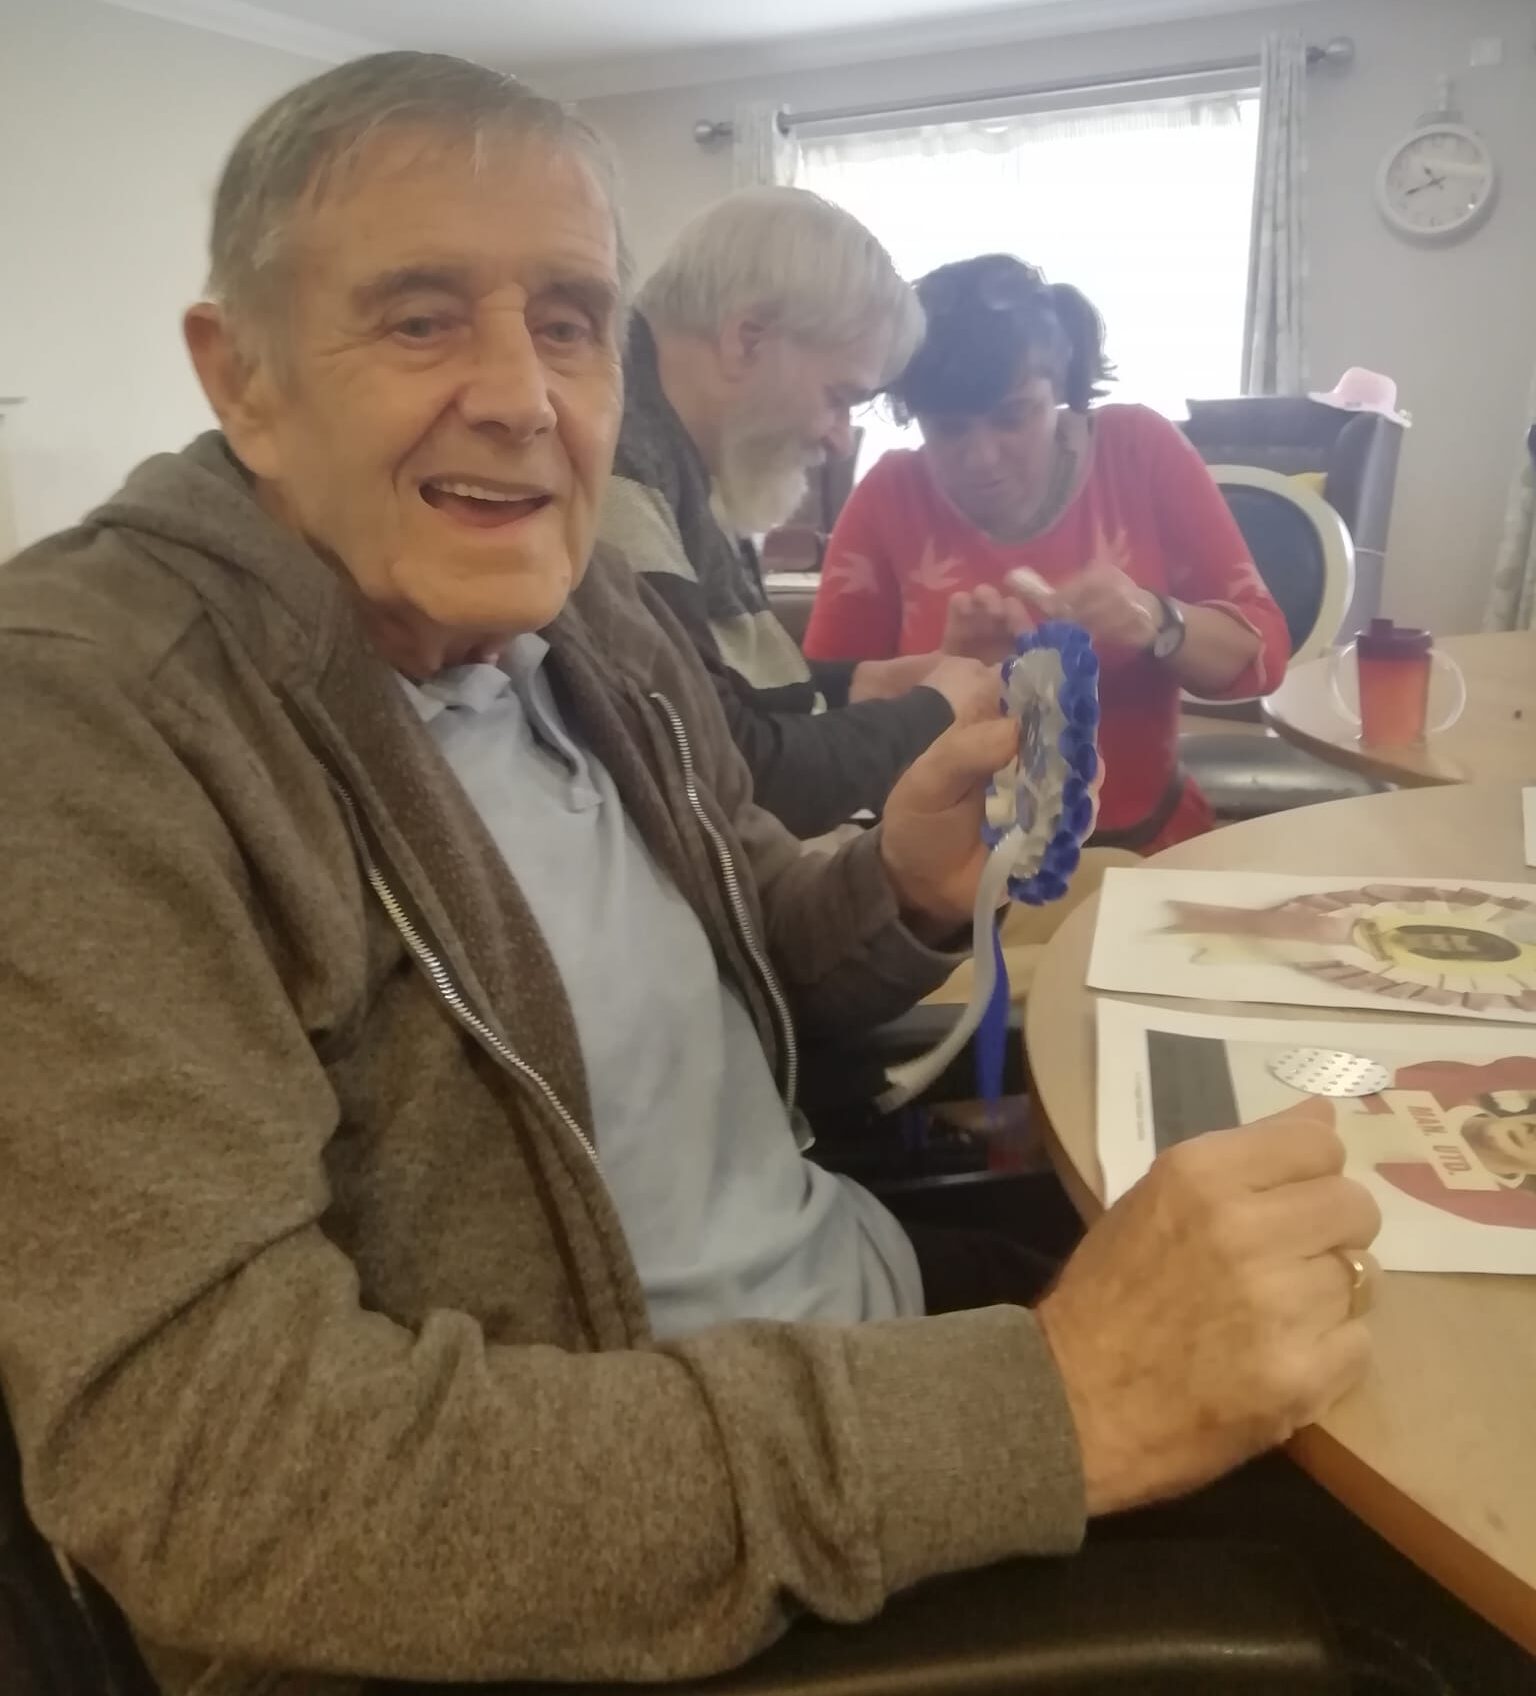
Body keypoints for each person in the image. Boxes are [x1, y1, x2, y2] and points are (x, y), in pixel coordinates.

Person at [0, 53, 1381, 1696]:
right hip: (625, 1582)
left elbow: (739, 931)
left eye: (570, 320)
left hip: (864, 1321)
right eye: (423, 317)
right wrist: (1056, 1409)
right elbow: (216, 1475)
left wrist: (898, 880)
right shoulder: (89, 725)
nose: (523, 394)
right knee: (1395, 1604)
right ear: (245, 377)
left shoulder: (576, 608)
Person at [804, 254, 1292, 853]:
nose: (982, 458)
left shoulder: (1140, 451)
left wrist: (1160, 620)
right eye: (948, 429)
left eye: (1013, 417)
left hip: (1146, 851)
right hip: (956, 878)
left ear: (1059, 386)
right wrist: (945, 685)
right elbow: (818, 735)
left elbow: (1262, 656)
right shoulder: (887, 499)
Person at [600, 188, 994, 838]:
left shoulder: (678, 456)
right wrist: (935, 712)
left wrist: (863, 684)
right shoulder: (617, 465)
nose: (841, 437)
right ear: (747, 339)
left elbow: (712, 683)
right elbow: (736, 777)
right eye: (840, 397)